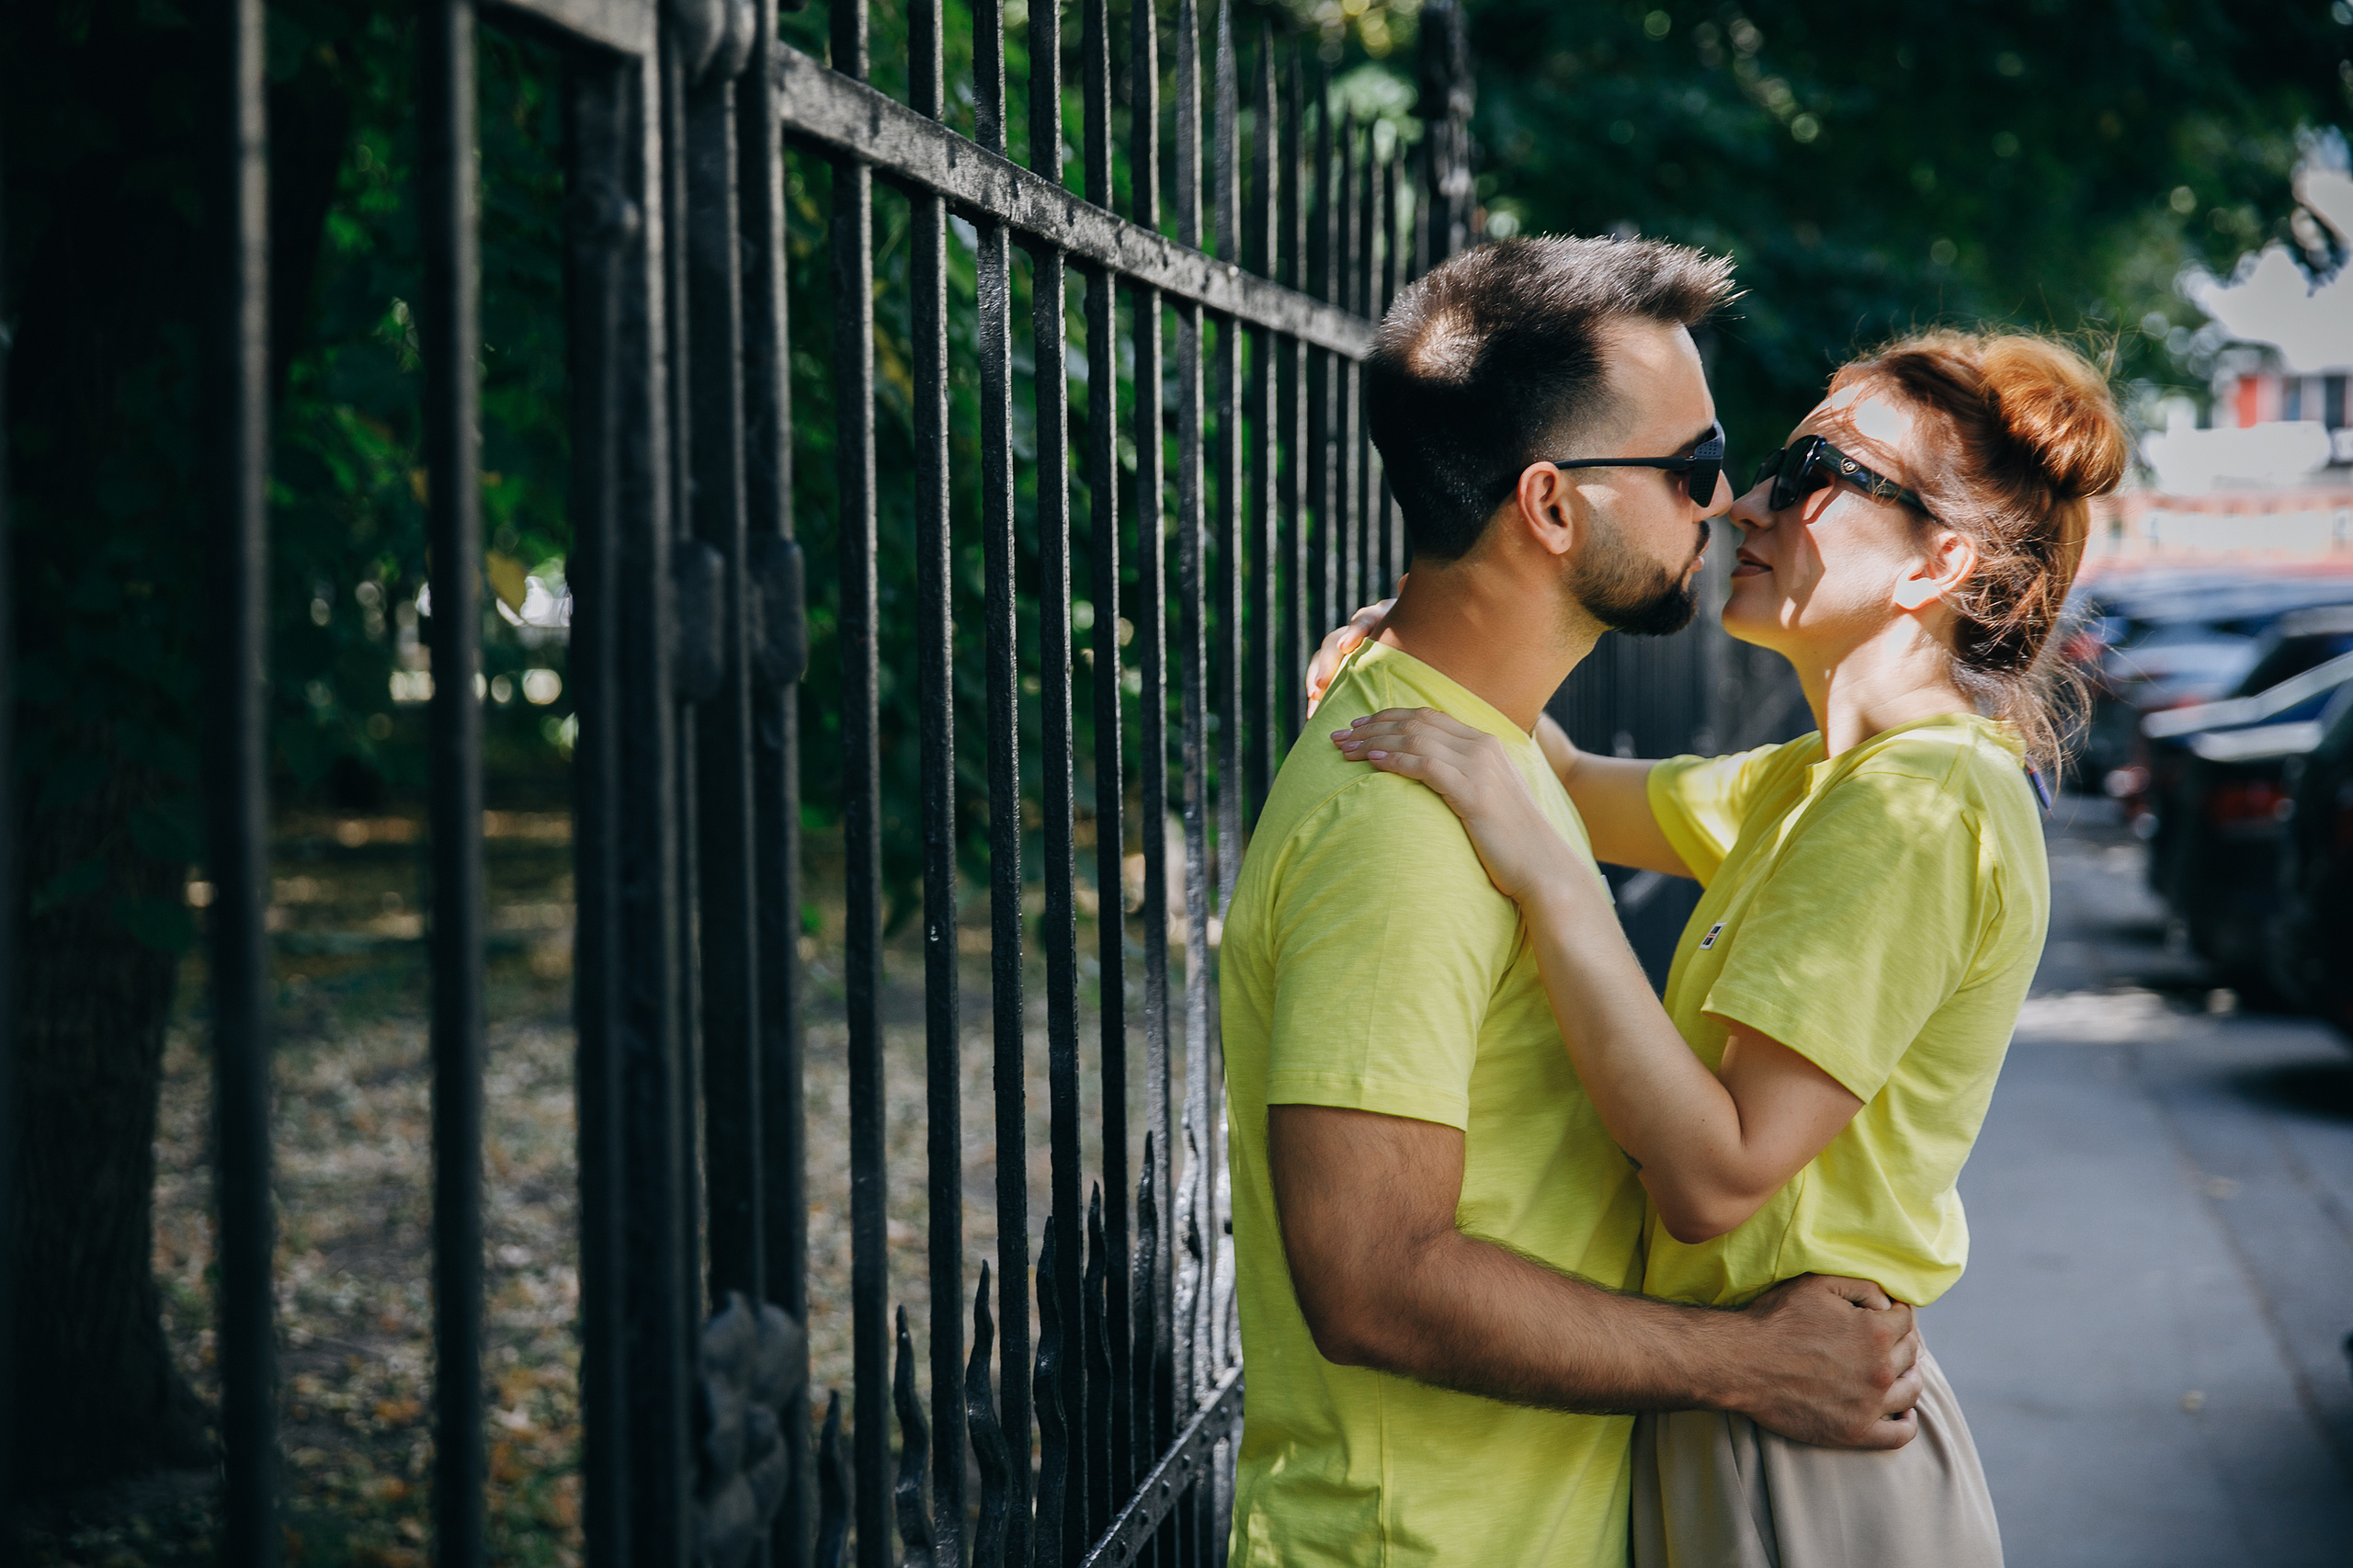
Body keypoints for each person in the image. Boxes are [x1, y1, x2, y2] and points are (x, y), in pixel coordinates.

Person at [1319, 326, 2127, 1565]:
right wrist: (1434, 629)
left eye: (1816, 471)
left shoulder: (1921, 809)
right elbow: (1575, 779)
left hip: (1798, 1444)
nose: (1748, 501)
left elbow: (1715, 1176)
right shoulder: (1815, 785)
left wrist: (1552, 883)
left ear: (1940, 563)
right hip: (1746, 1405)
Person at [1219, 234, 1927, 1568]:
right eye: (1692, 470)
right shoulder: (1404, 823)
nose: (1725, 506)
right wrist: (1747, 1364)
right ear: (1550, 506)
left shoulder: (1485, 745)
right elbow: (1372, 1276)